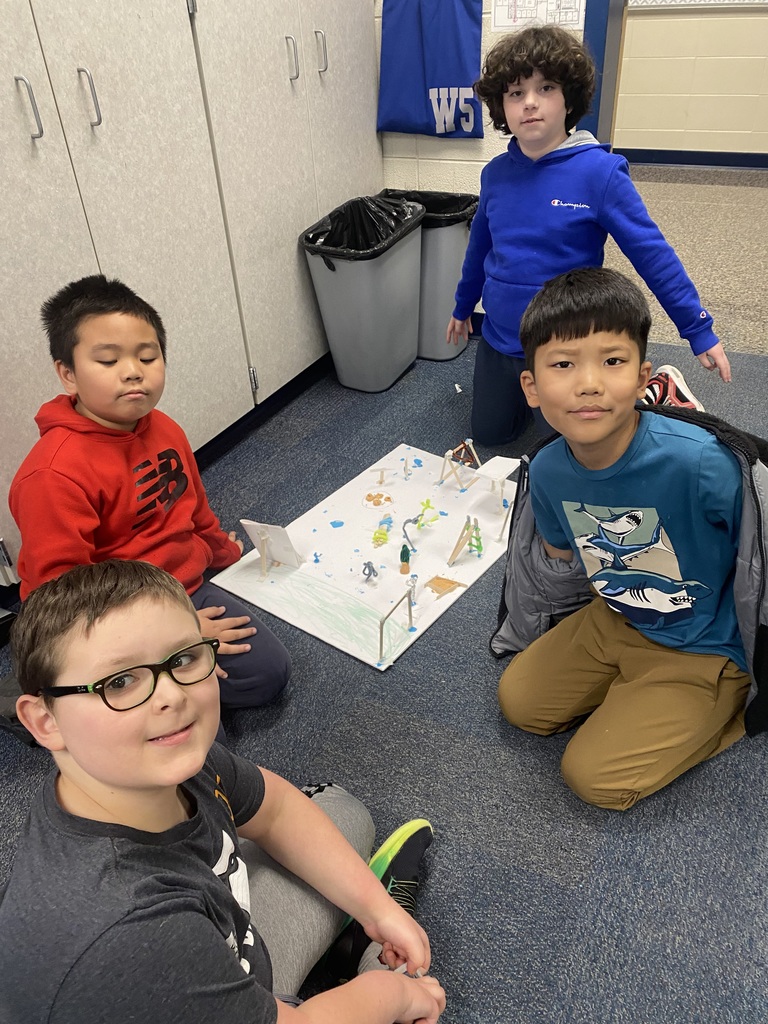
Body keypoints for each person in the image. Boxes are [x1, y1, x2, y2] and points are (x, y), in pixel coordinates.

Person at [0, 559, 445, 1024]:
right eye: (120, 681)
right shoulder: (128, 927)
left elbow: (274, 810)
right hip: (168, 964)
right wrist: (390, 994)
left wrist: (378, 908)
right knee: (411, 1003)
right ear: (45, 721)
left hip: (210, 955)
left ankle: (352, 944)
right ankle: (358, 966)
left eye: (183, 658)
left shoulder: (152, 761)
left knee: (343, 811)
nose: (171, 696)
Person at [496, 267, 755, 811]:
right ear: (532, 388)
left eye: (611, 362)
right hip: (616, 616)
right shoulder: (545, 471)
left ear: (640, 379)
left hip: (703, 645)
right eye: (563, 365)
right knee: (518, 704)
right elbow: (563, 561)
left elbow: (759, 548)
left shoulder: (703, 465)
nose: (588, 383)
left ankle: (718, 706)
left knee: (595, 779)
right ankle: (635, 694)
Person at [9, 275, 291, 716]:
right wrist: (167, 638)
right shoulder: (52, 475)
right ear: (68, 374)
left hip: (179, 590)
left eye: (148, 356)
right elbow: (61, 598)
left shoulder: (164, 428)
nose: (133, 371)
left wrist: (223, 556)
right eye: (107, 360)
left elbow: (194, 511)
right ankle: (68, 701)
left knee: (267, 675)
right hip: (99, 618)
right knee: (177, 728)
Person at [445, 24, 730, 447]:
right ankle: (526, 393)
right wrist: (463, 305)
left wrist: (697, 328)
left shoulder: (600, 173)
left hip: (566, 345)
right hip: (501, 337)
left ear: (569, 99)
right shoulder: (496, 174)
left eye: (546, 88)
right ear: (501, 106)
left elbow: (652, 254)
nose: (530, 103)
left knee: (570, 446)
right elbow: (480, 249)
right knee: (488, 436)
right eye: (515, 92)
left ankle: (655, 387)